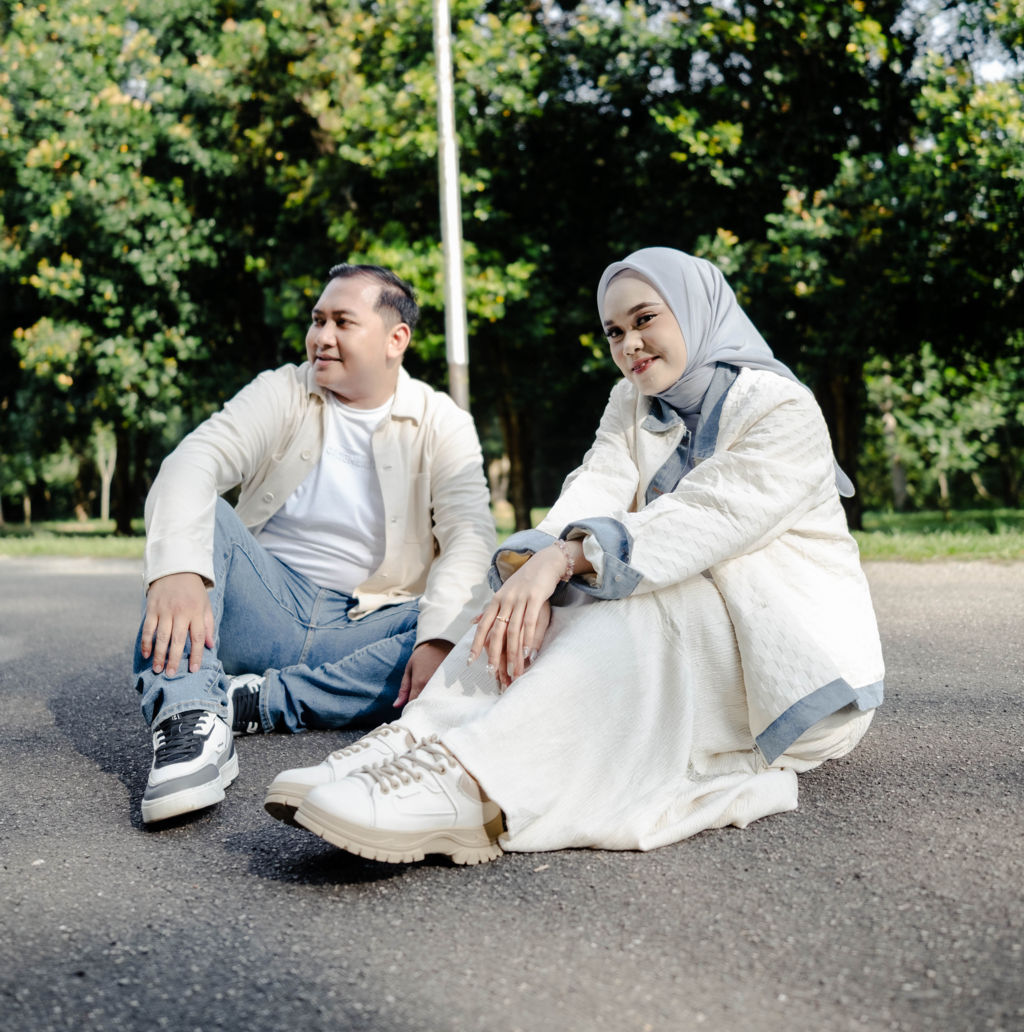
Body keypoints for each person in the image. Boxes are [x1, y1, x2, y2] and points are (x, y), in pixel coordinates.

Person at [263, 246, 884, 864]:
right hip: (702, 640)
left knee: (643, 594)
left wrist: (565, 559)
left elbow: (705, 519)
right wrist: (538, 566)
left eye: (645, 319)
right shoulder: (631, 401)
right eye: (614, 332)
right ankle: (416, 738)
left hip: (790, 673)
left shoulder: (783, 407)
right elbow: (593, 488)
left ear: (697, 311)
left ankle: (475, 783)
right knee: (532, 592)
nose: (629, 344)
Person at [134, 262, 495, 825]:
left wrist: (438, 640)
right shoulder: (283, 389)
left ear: (396, 339)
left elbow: (469, 537)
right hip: (264, 607)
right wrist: (178, 571)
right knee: (202, 520)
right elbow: (193, 462)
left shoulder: (441, 421)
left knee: (474, 621)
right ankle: (189, 721)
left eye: (342, 322)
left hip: (366, 627)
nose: (321, 336)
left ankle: (257, 702)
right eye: (317, 319)